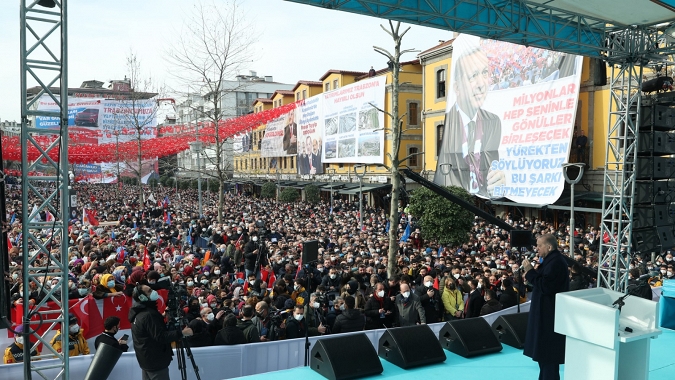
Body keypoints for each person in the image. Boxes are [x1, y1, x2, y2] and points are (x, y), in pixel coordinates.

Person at [435, 34, 504, 198]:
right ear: (457, 87)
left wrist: (500, 177)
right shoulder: (449, 124)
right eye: (473, 76)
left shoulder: (494, 122)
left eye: (485, 73)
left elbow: (492, 165)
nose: (481, 84)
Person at [522, 234, 570, 380]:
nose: (537, 249)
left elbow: (545, 286)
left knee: (548, 357)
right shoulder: (552, 260)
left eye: (539, 246)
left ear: (549, 247)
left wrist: (530, 272)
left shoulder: (555, 263)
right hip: (546, 314)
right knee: (545, 358)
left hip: (549, 317)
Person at [129, 284, 193, 380]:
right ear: (142, 297)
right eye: (149, 291)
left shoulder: (139, 311)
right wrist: (182, 332)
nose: (154, 292)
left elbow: (149, 329)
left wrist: (161, 317)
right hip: (155, 361)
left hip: (146, 359)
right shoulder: (148, 315)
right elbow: (161, 336)